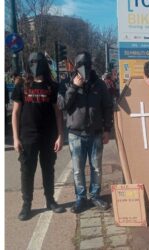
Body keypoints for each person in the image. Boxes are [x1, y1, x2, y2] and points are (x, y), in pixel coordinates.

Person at [12, 52, 65, 221]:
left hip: (48, 137)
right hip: (28, 137)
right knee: (27, 171)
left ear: (44, 64)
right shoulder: (22, 85)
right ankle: (26, 205)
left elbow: (58, 114)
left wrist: (60, 136)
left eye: (38, 62)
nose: (35, 65)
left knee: (48, 170)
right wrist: (15, 138)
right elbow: (15, 113)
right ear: (28, 64)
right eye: (32, 62)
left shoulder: (52, 86)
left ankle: (50, 200)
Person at [58, 51, 113, 213]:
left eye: (87, 65)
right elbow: (62, 106)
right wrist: (74, 86)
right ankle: (80, 198)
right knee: (77, 169)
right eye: (81, 65)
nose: (85, 69)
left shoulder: (99, 84)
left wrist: (107, 129)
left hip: (95, 133)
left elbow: (108, 107)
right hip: (75, 134)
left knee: (96, 168)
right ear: (75, 66)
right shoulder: (66, 82)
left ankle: (95, 195)